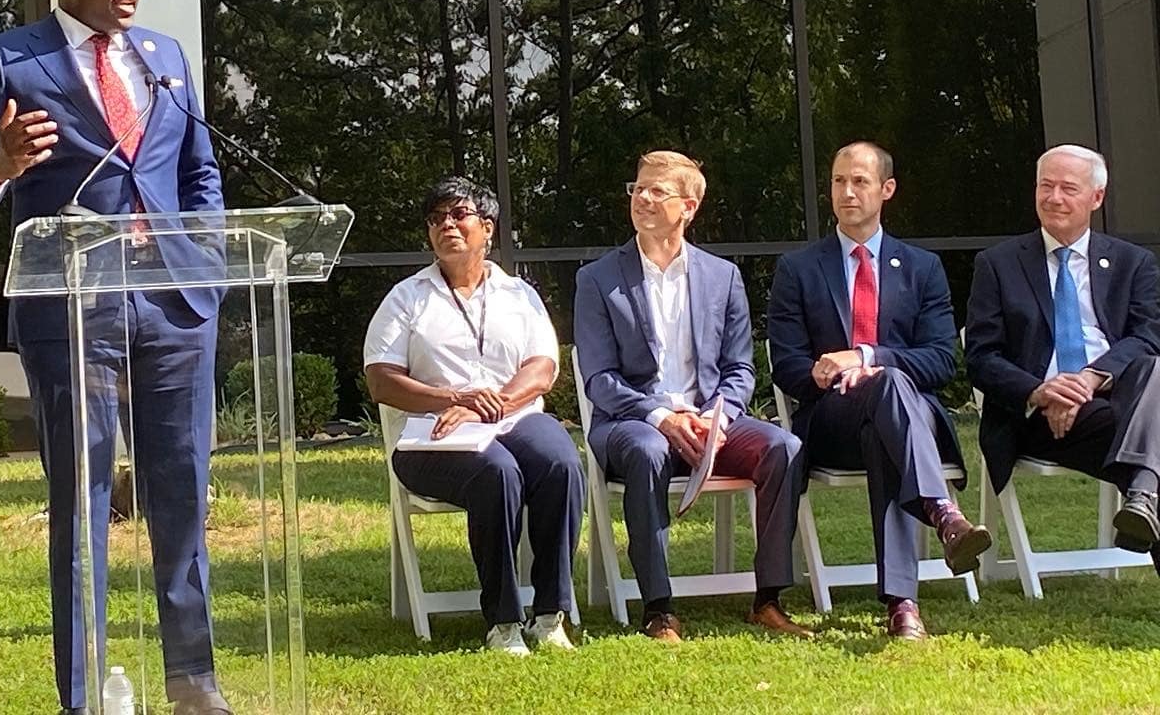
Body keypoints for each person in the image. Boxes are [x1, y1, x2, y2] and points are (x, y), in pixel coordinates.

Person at [0, 0, 232, 714]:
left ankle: (194, 682)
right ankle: (82, 693)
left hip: (174, 307)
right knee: (83, 502)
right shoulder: (10, 58)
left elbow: (198, 169)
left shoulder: (166, 58)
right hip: (73, 310)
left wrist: (205, 258)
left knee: (182, 495)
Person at [574, 150, 810, 642]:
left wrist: (719, 420)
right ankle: (659, 609)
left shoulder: (722, 277)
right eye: (637, 188)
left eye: (656, 191)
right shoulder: (597, 279)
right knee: (648, 449)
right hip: (633, 423)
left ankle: (768, 600)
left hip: (710, 420)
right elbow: (599, 380)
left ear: (689, 206)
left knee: (782, 448)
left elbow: (741, 368)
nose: (642, 198)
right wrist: (661, 415)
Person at [767, 141, 989, 640]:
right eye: (839, 181)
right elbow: (786, 364)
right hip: (831, 419)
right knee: (885, 398)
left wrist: (868, 358)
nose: (847, 192)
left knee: (886, 410)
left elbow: (940, 360)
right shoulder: (798, 269)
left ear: (886, 190)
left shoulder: (922, 268)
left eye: (860, 181)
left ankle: (902, 604)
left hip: (902, 420)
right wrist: (823, 371)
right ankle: (942, 514)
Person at [364, 175, 583, 656]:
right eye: (436, 219)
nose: (447, 226)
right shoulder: (406, 298)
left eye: (458, 215)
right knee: (497, 473)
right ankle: (503, 621)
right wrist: (453, 401)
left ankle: (550, 614)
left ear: (487, 227)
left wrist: (496, 404)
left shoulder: (517, 294)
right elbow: (380, 379)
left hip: (513, 417)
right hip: (430, 436)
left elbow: (543, 368)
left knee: (561, 462)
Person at [966, 144, 1160, 568]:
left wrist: (1091, 378)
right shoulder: (997, 264)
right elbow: (981, 357)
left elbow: (1148, 337)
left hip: (1117, 405)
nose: (1054, 198)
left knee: (1152, 368)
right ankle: (1144, 490)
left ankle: (1144, 492)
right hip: (1035, 418)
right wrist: (1041, 390)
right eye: (1045, 186)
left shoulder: (1133, 263)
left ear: (1096, 198)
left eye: (1068, 188)